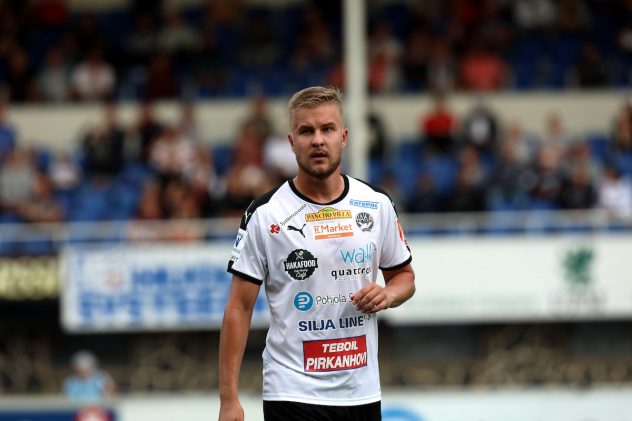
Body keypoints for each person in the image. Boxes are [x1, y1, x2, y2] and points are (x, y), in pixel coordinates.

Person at [218, 86, 415, 421]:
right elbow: (239, 307)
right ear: (292, 142)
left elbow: (404, 277)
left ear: (344, 137)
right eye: (306, 131)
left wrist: (388, 294)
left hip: (361, 391)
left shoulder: (376, 203)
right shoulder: (265, 213)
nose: (318, 140)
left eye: (327, 129)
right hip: (291, 390)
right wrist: (228, 399)